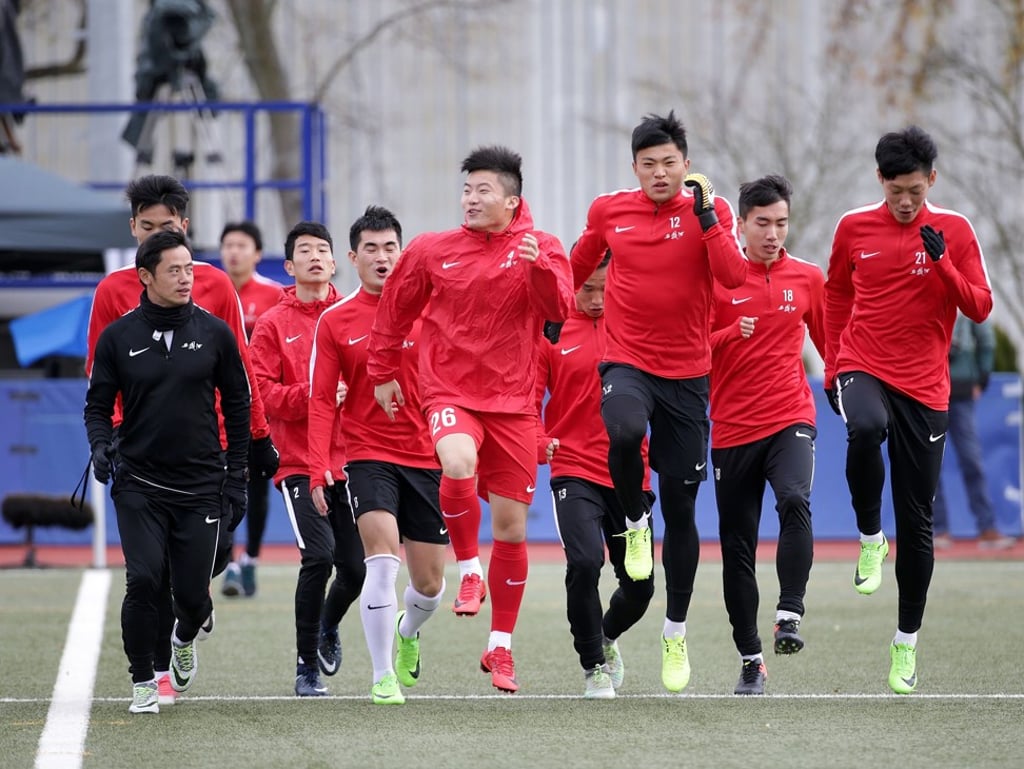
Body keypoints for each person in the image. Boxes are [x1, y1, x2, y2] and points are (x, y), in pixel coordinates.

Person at [367, 146, 573, 692]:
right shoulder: (433, 249)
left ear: (512, 200)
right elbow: (394, 309)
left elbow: (559, 312)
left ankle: (500, 648)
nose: (471, 199)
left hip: (515, 403)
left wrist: (539, 267)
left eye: (483, 191)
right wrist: (383, 370)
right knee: (456, 461)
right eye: (466, 190)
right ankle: (470, 570)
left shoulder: (545, 248)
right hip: (450, 391)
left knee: (510, 529)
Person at [85, 174, 280, 707]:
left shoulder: (213, 287)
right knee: (146, 576)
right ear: (133, 229)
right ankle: (148, 676)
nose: (157, 235)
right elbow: (99, 385)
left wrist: (257, 439)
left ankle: (187, 625)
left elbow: (240, 373)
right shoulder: (112, 296)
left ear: (186, 227)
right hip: (142, 457)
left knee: (196, 576)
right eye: (146, 227)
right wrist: (113, 440)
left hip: (210, 454)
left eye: (167, 227)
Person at [570, 111, 748, 693]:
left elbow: (734, 279)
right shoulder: (609, 210)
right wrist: (549, 302)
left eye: (669, 163)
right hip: (626, 358)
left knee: (685, 508)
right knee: (622, 430)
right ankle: (633, 521)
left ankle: (675, 632)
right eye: (648, 165)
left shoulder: (711, 213)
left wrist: (708, 222)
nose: (659, 173)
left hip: (688, 376)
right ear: (634, 169)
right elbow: (576, 263)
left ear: (686, 166)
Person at [824, 126, 993, 694]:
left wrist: (944, 266)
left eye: (915, 191)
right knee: (864, 427)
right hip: (863, 364)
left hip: (926, 387)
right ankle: (870, 536)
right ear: (880, 180)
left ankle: (905, 644)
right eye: (896, 189)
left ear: (932, 182)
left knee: (918, 522)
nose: (905, 201)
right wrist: (832, 363)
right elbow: (837, 295)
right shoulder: (853, 227)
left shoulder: (956, 231)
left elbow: (981, 307)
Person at [309, 205, 448, 705]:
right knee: (382, 561)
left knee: (430, 586)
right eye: (371, 248)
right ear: (353, 257)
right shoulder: (335, 320)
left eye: (391, 247)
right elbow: (322, 399)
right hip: (367, 454)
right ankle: (382, 675)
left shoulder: (430, 309)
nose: (383, 256)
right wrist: (318, 464)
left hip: (428, 455)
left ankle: (409, 631)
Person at [708, 175, 825, 695]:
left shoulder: (807, 278)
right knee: (737, 546)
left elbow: (833, 343)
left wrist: (851, 391)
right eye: (763, 223)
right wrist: (731, 332)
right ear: (740, 224)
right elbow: (689, 351)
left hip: (790, 418)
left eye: (781, 222)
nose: (773, 233)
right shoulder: (714, 281)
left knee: (796, 500)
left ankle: (790, 615)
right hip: (731, 430)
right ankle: (751, 659)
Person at [248, 220, 364, 697]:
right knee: (318, 556)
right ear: (290, 266)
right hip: (297, 462)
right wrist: (312, 395)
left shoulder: (354, 314)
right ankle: (305, 668)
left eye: (323, 249)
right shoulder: (274, 324)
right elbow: (263, 394)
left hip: (353, 460)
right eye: (304, 251)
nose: (315, 256)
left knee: (356, 569)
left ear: (336, 262)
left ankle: (326, 627)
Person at [535, 250, 655, 699]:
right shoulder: (551, 328)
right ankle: (593, 665)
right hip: (573, 468)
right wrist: (535, 436)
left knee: (640, 586)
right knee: (585, 563)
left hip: (630, 474)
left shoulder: (637, 323)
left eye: (606, 288)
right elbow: (529, 394)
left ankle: (606, 635)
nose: (598, 298)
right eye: (587, 289)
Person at [218, 220, 285, 598]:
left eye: (242, 245)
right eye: (228, 245)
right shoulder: (206, 290)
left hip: (261, 411)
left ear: (257, 253)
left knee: (257, 487)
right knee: (222, 485)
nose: (234, 252)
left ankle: (252, 561)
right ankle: (227, 564)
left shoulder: (273, 295)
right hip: (217, 412)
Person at [932, 314, 1013, 550]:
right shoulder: (921, 286)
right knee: (930, 464)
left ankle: (987, 528)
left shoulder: (965, 295)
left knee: (972, 461)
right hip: (928, 391)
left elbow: (986, 338)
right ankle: (938, 530)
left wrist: (983, 377)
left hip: (961, 394)